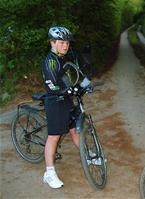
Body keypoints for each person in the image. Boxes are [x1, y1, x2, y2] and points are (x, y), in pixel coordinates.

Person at [42, 26, 80, 189]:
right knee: (54, 137)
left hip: (66, 100)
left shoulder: (63, 59)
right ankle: (49, 173)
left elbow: (72, 77)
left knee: (75, 129)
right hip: (55, 101)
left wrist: (84, 84)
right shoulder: (50, 61)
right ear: (53, 42)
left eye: (67, 43)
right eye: (62, 42)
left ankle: (87, 155)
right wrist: (67, 90)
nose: (66, 45)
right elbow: (52, 86)